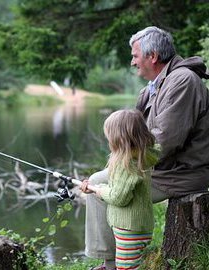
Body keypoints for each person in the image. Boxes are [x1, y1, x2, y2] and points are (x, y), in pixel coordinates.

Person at [82, 26, 209, 270]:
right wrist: (121, 162)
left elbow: (165, 141)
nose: (132, 62)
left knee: (102, 187)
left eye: (135, 55)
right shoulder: (154, 86)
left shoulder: (183, 81)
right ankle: (111, 261)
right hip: (160, 167)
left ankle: (112, 264)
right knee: (99, 182)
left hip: (181, 173)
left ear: (152, 56)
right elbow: (133, 135)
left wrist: (124, 167)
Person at [81, 109, 159, 270]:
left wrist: (98, 189)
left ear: (118, 138)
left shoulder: (127, 164)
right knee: (131, 265)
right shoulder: (141, 155)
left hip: (129, 228)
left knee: (127, 267)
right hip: (136, 225)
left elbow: (119, 197)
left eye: (109, 135)